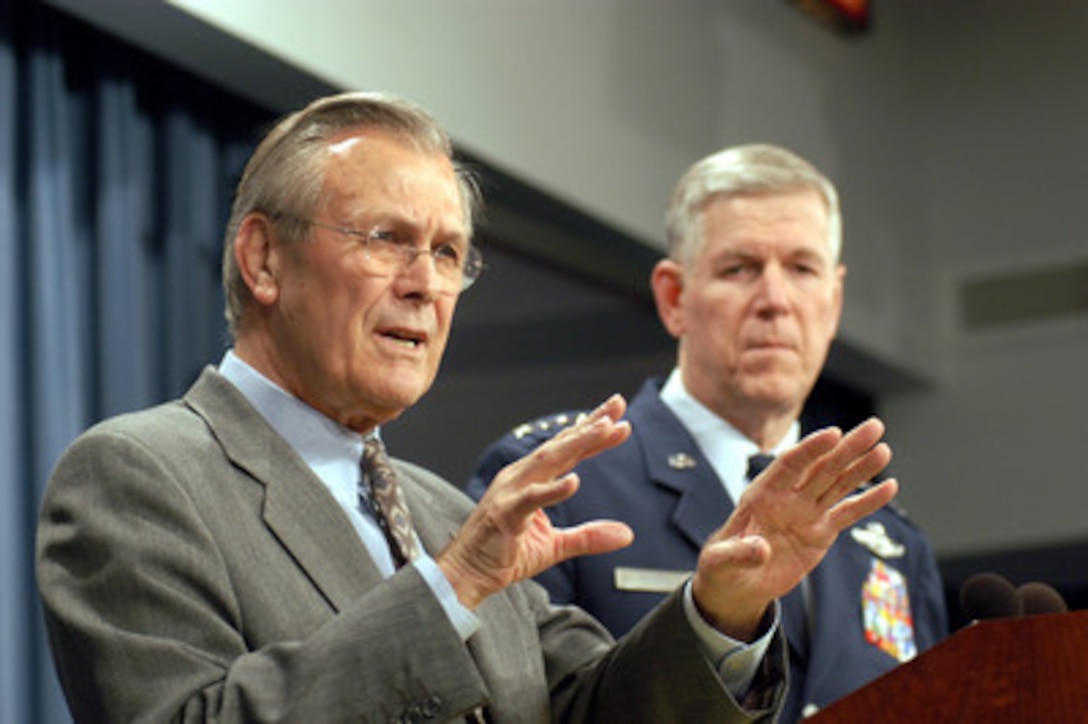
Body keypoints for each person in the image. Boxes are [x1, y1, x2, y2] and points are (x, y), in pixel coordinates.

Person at [36, 94, 900, 723]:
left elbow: (590, 712)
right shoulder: (138, 476)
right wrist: (450, 589)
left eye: (448, 253)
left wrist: (721, 610)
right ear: (263, 259)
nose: (425, 285)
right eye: (387, 240)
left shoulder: (440, 507)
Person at [468, 144, 948, 721]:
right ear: (675, 298)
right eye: (739, 269)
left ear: (834, 299)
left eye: (802, 268)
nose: (775, 300)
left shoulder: (888, 541)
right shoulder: (561, 481)